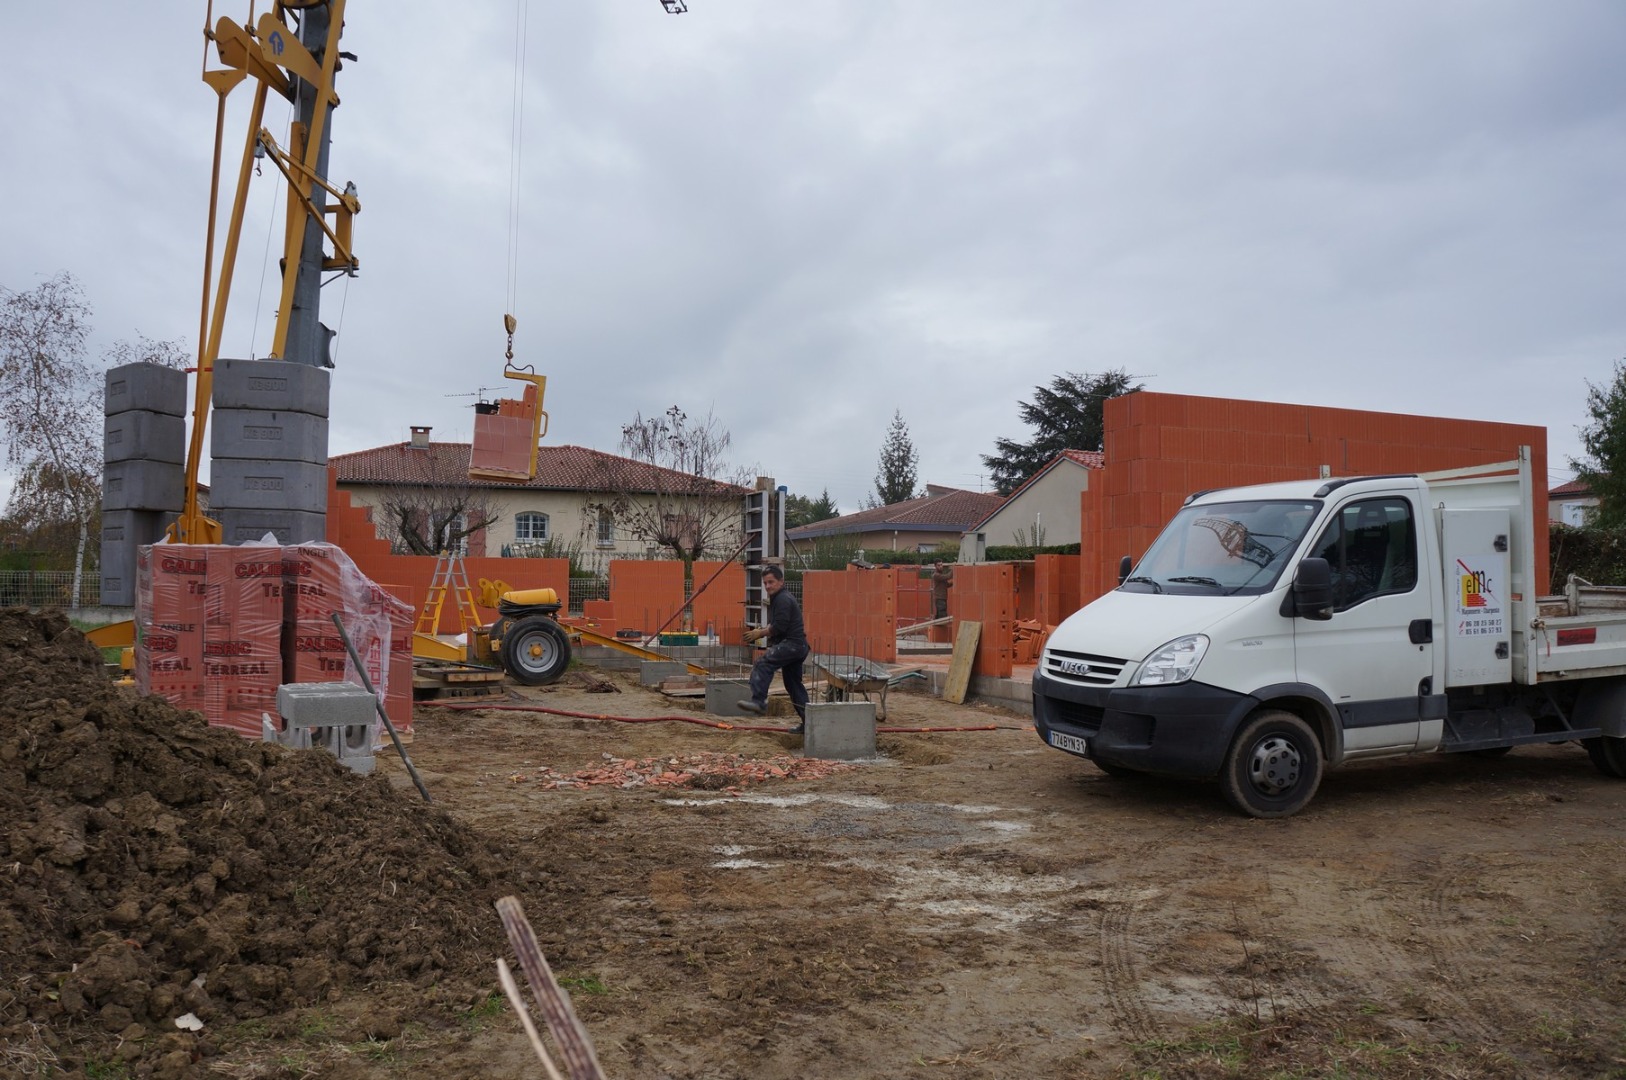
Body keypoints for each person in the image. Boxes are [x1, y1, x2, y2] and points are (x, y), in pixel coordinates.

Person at [737, 563, 809, 733]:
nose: (768, 586)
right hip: (798, 646)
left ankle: (759, 702)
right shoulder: (780, 598)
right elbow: (779, 624)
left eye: (771, 582)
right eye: (765, 583)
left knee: (763, 663)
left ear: (781, 582)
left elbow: (780, 627)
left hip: (792, 645)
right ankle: (810, 723)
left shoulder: (783, 599)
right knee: (793, 685)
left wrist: (760, 633)